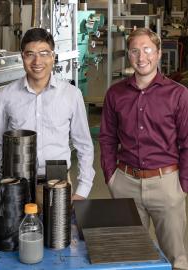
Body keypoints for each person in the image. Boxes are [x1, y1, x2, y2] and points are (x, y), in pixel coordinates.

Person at [99, 28, 188, 269]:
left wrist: (182, 185)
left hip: (166, 184)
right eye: (135, 51)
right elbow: (106, 138)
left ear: (158, 53)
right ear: (128, 55)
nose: (142, 57)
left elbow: (187, 143)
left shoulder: (179, 95)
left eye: (148, 49)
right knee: (130, 256)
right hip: (125, 182)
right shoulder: (115, 94)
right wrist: (111, 177)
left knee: (176, 258)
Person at [0, 28, 95, 200]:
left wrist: (83, 189)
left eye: (44, 53)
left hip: (58, 183)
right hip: (16, 185)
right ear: (22, 57)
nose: (37, 61)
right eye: (30, 54)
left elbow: (84, 144)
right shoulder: (6, 95)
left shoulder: (71, 94)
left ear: (53, 56)